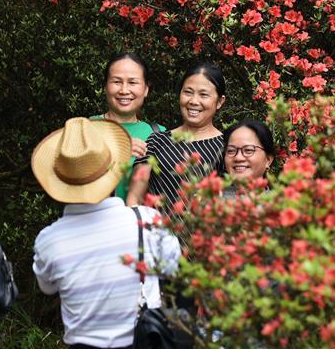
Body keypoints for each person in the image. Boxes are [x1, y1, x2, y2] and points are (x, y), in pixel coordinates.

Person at [32, 117, 181, 349]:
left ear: (58, 179)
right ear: (114, 169)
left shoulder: (48, 241)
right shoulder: (147, 222)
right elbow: (172, 269)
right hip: (144, 341)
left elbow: (47, 286)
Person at [126, 63, 227, 210]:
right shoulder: (157, 140)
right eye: (188, 92)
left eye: (204, 94)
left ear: (219, 102)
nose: (193, 101)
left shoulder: (226, 147)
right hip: (155, 231)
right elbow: (134, 198)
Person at [90, 52, 159, 201]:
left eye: (133, 82)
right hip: (92, 221)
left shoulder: (158, 133)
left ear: (146, 89)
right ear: (105, 86)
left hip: (140, 222)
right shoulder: (85, 129)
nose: (124, 90)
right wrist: (117, 152)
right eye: (117, 82)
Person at [221, 119, 275, 198]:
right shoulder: (209, 203)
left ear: (268, 160)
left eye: (248, 150)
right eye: (231, 151)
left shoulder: (280, 205)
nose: (238, 158)